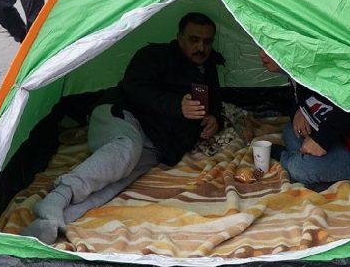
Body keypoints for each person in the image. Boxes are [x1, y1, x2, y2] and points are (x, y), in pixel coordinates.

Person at [22, 13, 224, 244]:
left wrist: (213, 119)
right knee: (126, 149)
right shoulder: (155, 55)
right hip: (121, 114)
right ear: (179, 38)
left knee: (120, 180)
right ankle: (57, 197)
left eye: (207, 41)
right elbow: (135, 89)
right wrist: (176, 106)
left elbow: (215, 104)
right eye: (194, 39)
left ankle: (54, 223)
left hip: (158, 142)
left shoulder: (209, 70)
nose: (201, 47)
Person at [258, 50, 350, 186]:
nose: (261, 55)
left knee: (301, 168)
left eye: (267, 48)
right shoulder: (296, 74)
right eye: (259, 47)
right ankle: (311, 164)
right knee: (291, 130)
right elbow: (301, 101)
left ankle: (289, 159)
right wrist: (298, 110)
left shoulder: (323, 67)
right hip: (339, 139)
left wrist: (321, 140)